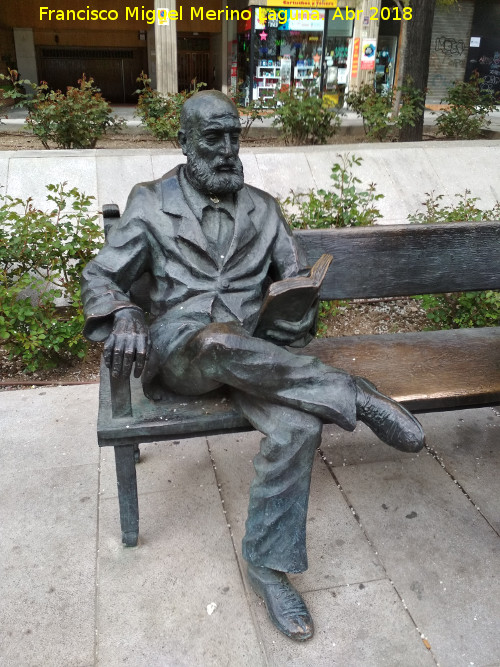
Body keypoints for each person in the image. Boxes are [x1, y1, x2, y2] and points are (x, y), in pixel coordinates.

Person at [82, 90, 424, 642]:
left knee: (298, 425)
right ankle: (353, 394)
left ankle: (268, 566)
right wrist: (123, 311)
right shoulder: (150, 202)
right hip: (185, 353)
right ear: (185, 143)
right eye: (212, 139)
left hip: (256, 353)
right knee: (217, 340)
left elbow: (293, 286)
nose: (225, 151)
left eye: (233, 137)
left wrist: (295, 310)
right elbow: (101, 276)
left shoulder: (263, 208)